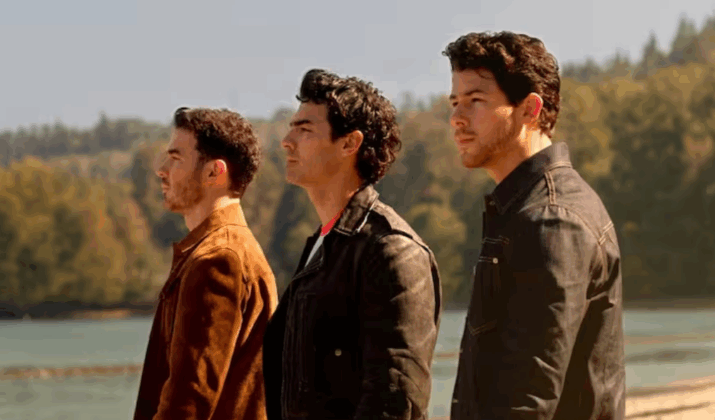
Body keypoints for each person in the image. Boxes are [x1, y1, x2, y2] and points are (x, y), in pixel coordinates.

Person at [443, 31, 625, 419]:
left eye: (476, 101)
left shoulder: (551, 220)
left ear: (529, 110)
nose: (457, 118)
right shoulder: (525, 209)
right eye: (455, 102)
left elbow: (528, 399)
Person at [262, 69, 442, 420]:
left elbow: (394, 401)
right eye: (291, 127)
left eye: (305, 130)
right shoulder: (324, 243)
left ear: (349, 144)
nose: (287, 141)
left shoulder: (391, 249)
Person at [134, 107, 278, 420]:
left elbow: (189, 402)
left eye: (175, 158)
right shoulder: (222, 250)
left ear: (214, 173)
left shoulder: (218, 259)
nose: (161, 170)